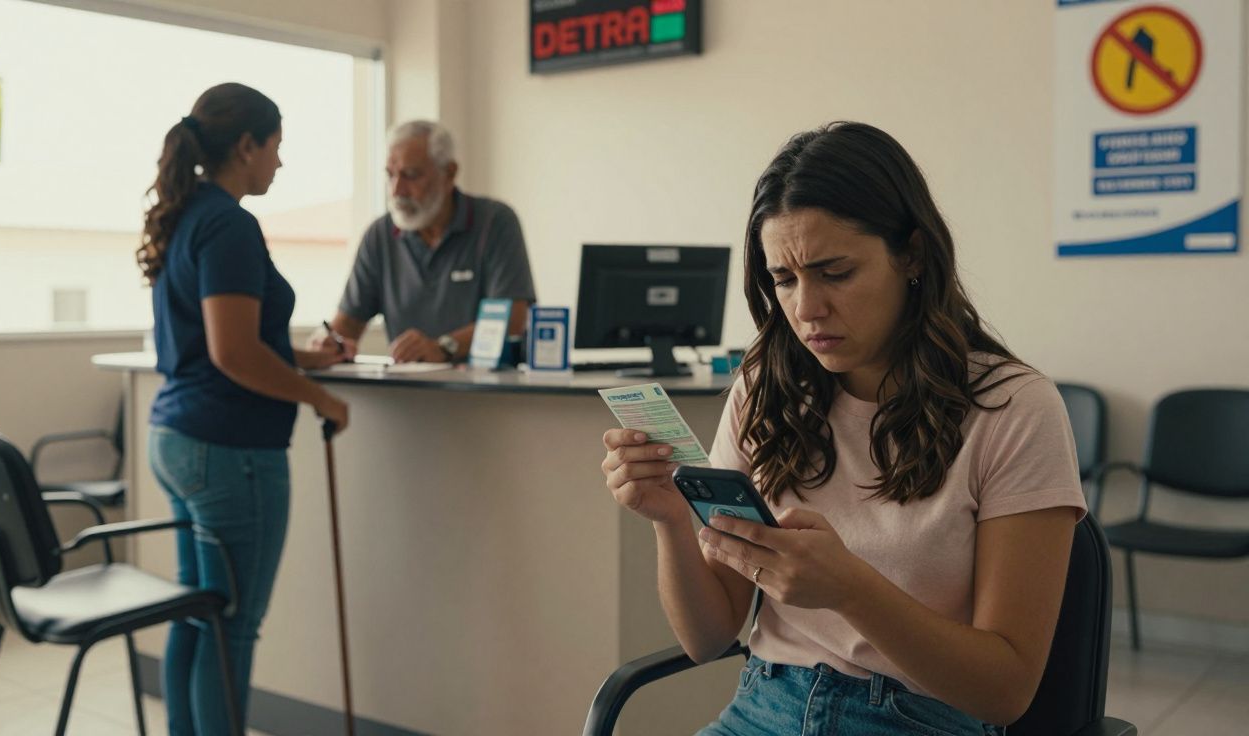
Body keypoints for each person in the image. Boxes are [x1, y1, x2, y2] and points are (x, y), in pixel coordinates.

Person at [599, 122, 1086, 735]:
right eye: (784, 279)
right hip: (763, 705)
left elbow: (1004, 692)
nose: (805, 309)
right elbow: (707, 637)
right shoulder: (766, 386)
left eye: (835, 272)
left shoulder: (1014, 408)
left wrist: (851, 589)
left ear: (911, 255)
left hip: (920, 720)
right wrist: (671, 518)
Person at [137, 82, 349, 735]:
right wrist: (321, 399)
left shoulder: (189, 213)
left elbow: (234, 339)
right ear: (247, 145)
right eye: (277, 148)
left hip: (178, 437)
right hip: (229, 450)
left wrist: (312, 359)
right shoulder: (229, 223)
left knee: (200, 611)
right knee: (232, 626)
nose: (280, 164)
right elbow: (233, 353)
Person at [311, 120, 536, 363]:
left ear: (449, 173)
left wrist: (443, 347)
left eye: (410, 175)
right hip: (408, 393)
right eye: (390, 175)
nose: (397, 190)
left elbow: (513, 320)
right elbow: (348, 324)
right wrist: (328, 341)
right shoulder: (380, 235)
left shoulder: (495, 222)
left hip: (488, 392)